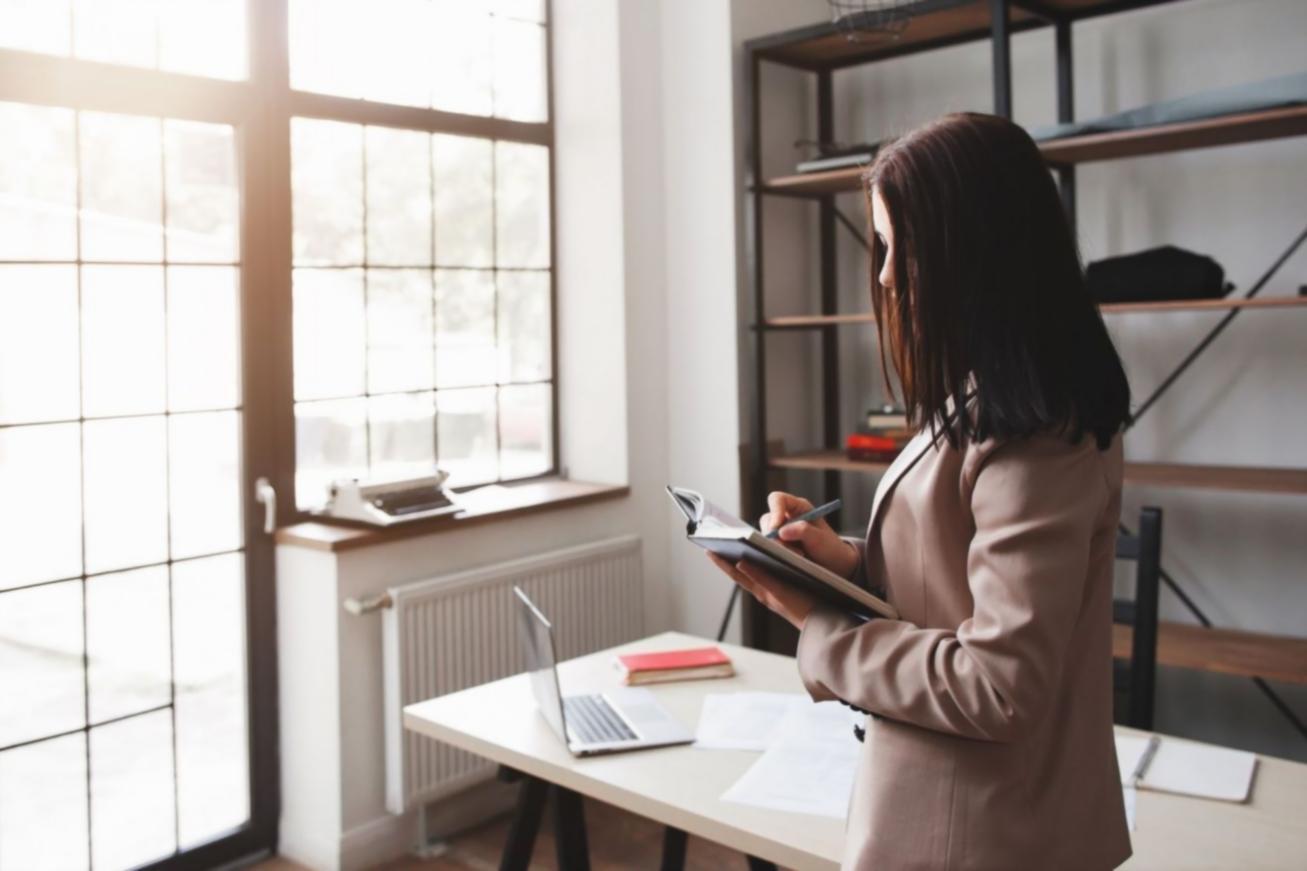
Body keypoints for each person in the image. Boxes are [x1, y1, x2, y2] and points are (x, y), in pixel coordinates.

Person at [708, 112, 1133, 870]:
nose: (884, 275)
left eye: (897, 248)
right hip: (949, 808)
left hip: (981, 832)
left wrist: (821, 627)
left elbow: (999, 685)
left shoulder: (1038, 432)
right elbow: (957, 572)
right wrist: (841, 561)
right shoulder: (995, 396)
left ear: (972, 253)